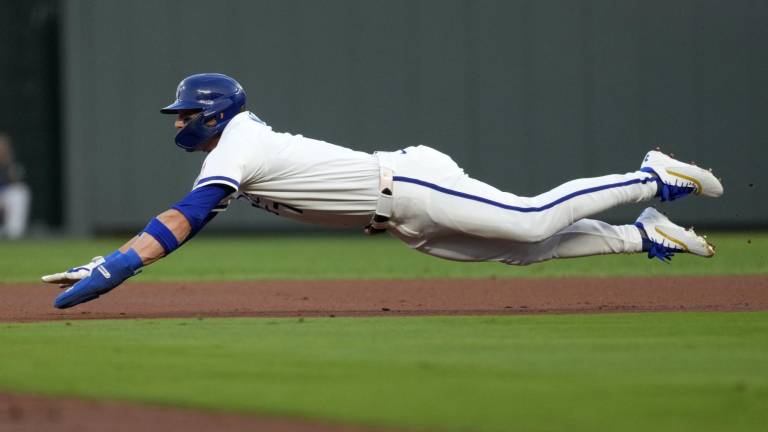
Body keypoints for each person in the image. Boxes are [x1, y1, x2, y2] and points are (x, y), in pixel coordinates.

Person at [43, 73, 724, 309]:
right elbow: (190, 215)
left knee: (528, 219)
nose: (180, 122)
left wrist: (120, 264)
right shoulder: (230, 150)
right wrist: (119, 257)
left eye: (186, 112)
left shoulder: (240, 143)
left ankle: (650, 174)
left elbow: (186, 217)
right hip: (399, 220)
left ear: (215, 112)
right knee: (525, 250)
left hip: (408, 184)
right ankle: (644, 234)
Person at [0, 133, 31, 240]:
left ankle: (13, 233)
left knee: (20, 191)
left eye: (3, 147)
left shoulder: (11, 165)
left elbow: (17, 183)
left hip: (5, 197)